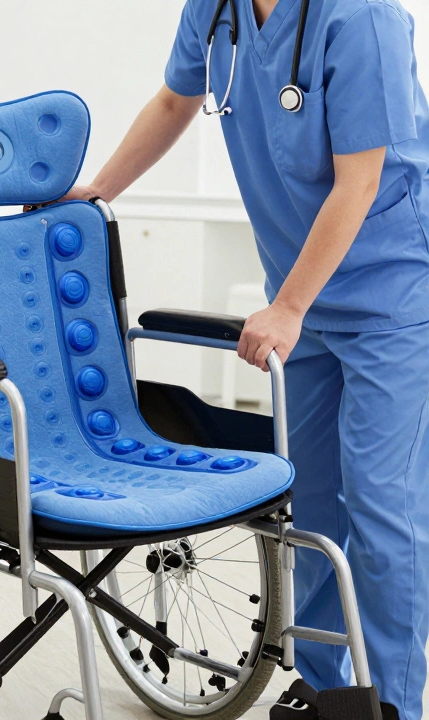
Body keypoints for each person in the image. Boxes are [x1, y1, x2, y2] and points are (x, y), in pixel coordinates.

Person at [63, 0, 429, 717]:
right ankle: (328, 690)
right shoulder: (217, 6)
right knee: (317, 505)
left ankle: (393, 704)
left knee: (386, 512)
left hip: (392, 294)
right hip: (300, 294)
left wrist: (287, 307)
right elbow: (175, 98)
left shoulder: (362, 18)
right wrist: (100, 190)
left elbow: (359, 183)